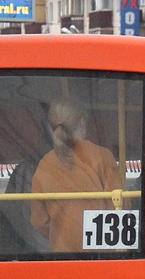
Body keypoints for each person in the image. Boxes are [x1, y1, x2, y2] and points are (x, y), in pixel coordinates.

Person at [30, 100, 124, 252]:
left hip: (60, 258)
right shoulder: (102, 156)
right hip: (101, 257)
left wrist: (62, 235)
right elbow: (120, 208)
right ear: (82, 121)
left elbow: (39, 221)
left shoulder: (44, 164)